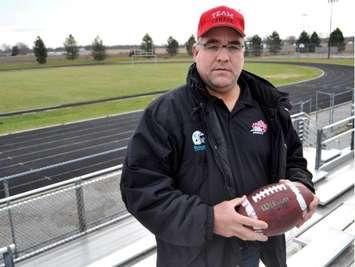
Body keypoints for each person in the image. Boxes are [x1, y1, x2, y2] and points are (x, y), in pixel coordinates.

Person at [120, 5, 319, 267]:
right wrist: (210, 219)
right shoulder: (165, 114)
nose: (223, 56)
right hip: (194, 258)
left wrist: (300, 190)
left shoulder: (269, 108)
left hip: (255, 252)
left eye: (233, 46)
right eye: (213, 45)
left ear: (243, 54)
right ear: (196, 51)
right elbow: (141, 190)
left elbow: (294, 159)